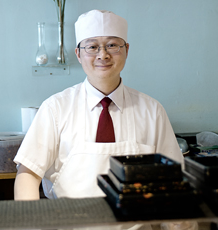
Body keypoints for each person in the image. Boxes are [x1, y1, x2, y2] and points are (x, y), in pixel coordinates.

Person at [13, 10, 183, 200]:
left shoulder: (153, 111)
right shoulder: (55, 109)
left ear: (127, 50)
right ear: (78, 54)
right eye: (92, 47)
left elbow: (174, 179)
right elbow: (28, 173)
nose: (103, 55)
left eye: (112, 45)